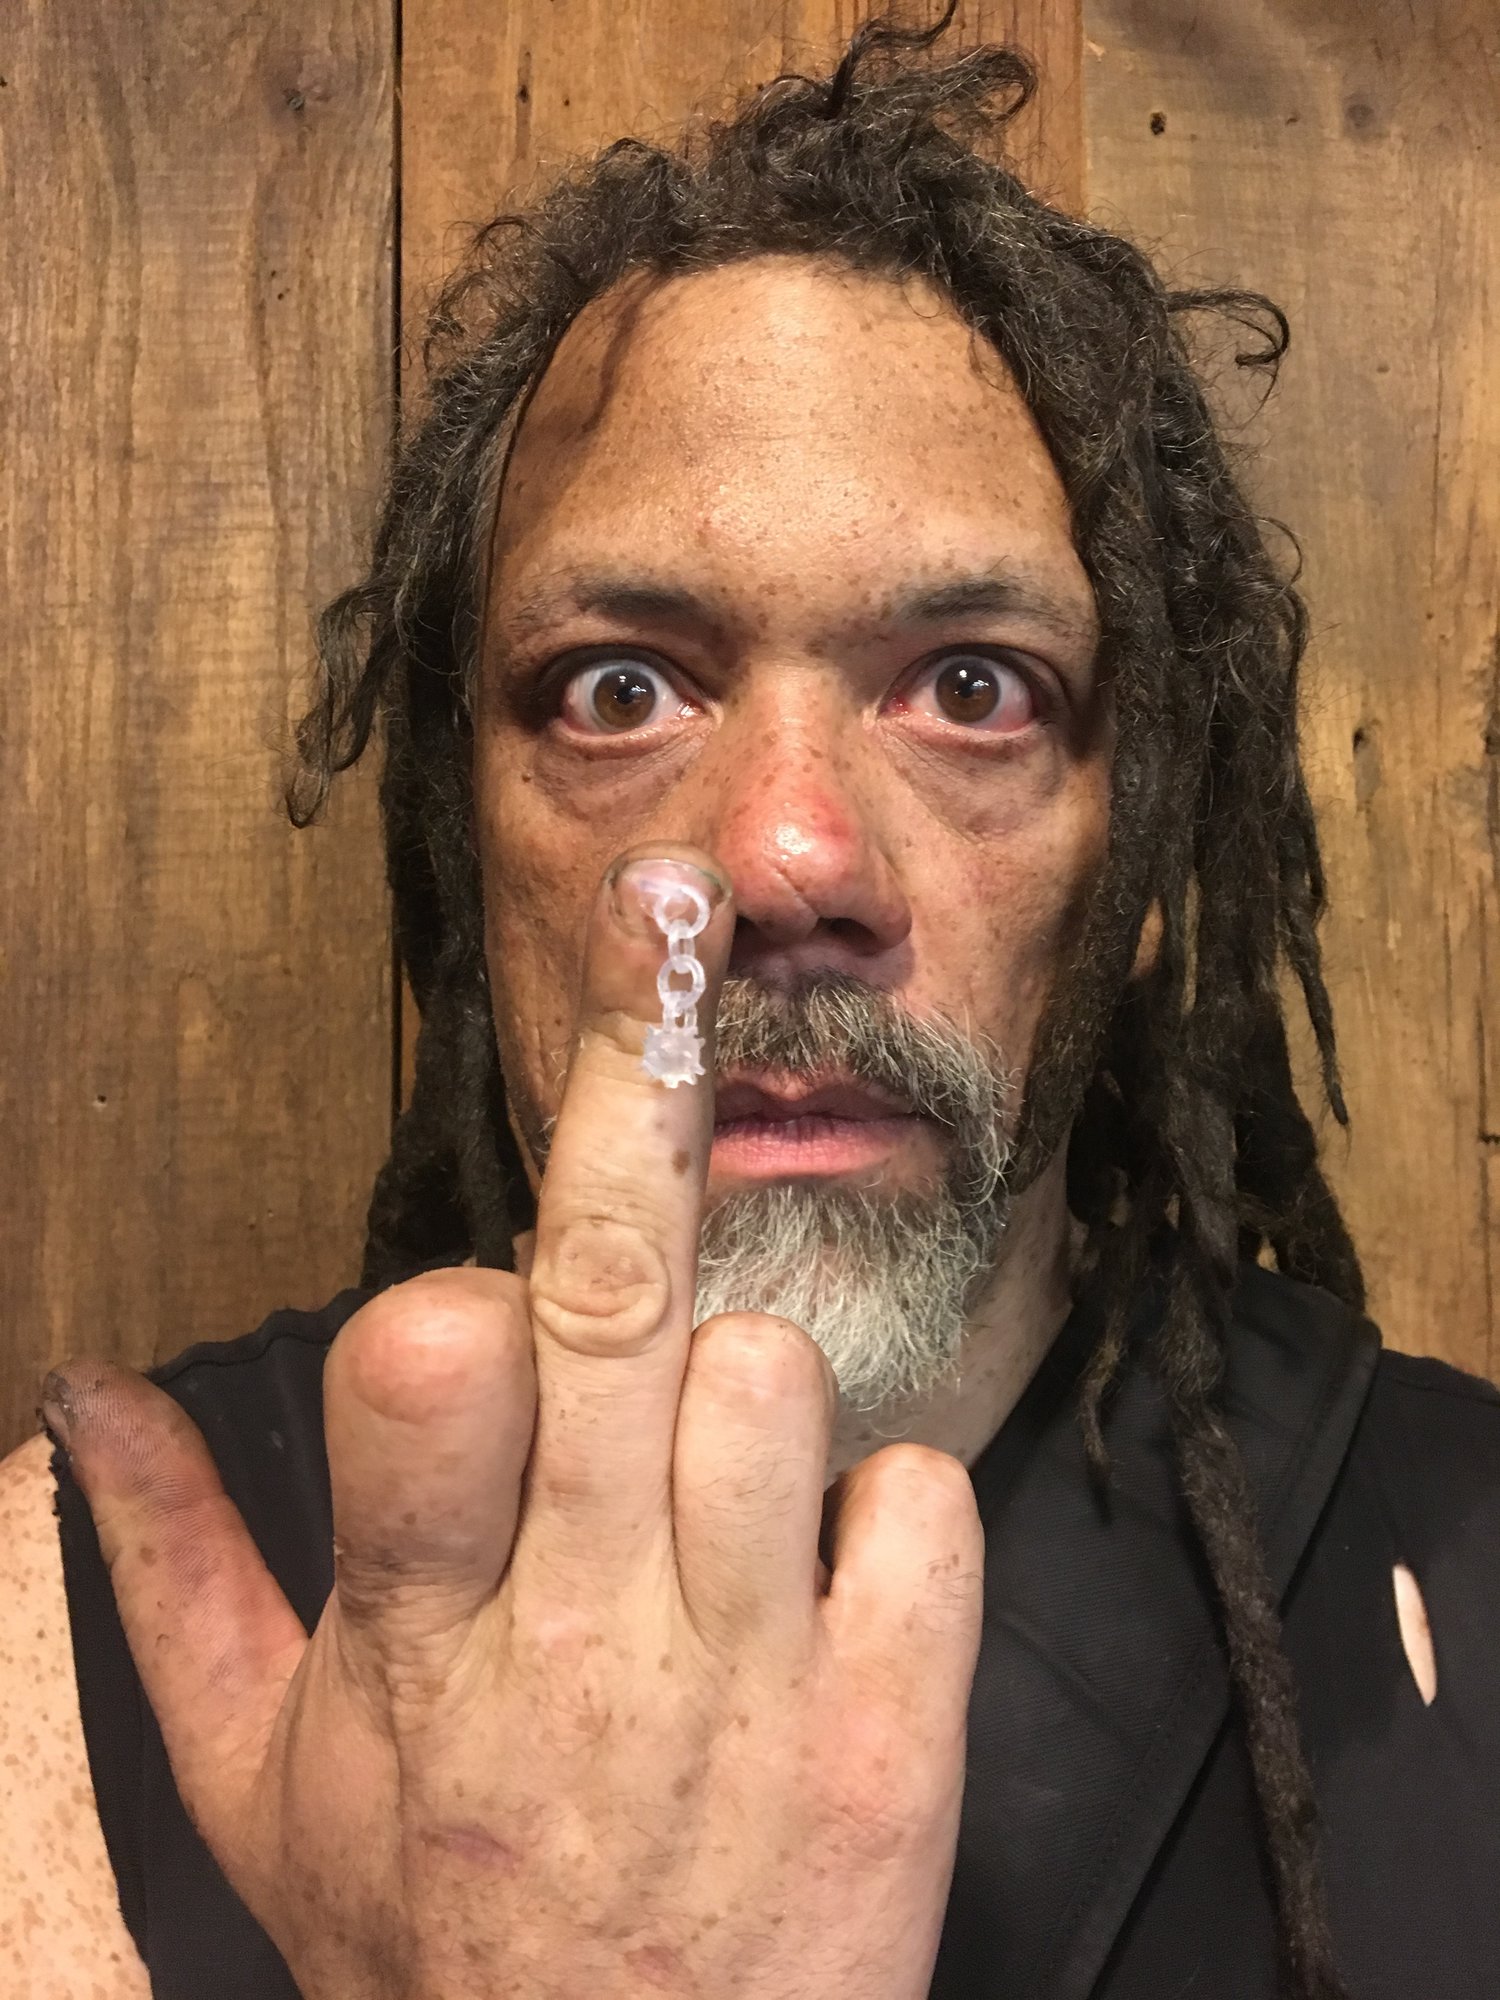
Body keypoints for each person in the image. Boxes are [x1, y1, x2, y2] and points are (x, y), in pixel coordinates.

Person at [2, 13, 1497, 1999]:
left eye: (974, 688)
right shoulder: (63, 1627)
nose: (788, 861)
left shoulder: (1463, 1583)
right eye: (619, 688)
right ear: (470, 849)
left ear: (1135, 866)